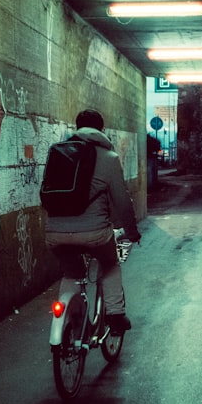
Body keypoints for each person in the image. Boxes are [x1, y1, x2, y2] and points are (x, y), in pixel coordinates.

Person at [45, 109, 142, 333]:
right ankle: (116, 317)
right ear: (101, 129)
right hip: (95, 233)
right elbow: (122, 201)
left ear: (77, 127)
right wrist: (132, 231)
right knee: (110, 264)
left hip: (55, 233)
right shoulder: (108, 158)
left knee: (71, 272)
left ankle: (73, 320)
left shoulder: (58, 153)